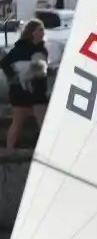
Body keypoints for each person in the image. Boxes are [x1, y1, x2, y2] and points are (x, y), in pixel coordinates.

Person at [2, 18, 49, 149]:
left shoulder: (43, 49)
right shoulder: (20, 48)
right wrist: (13, 77)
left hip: (38, 91)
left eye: (43, 30)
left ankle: (46, 151)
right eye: (40, 30)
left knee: (43, 122)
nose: (43, 33)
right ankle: (9, 151)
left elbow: (43, 69)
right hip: (20, 92)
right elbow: (5, 63)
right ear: (32, 32)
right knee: (18, 122)